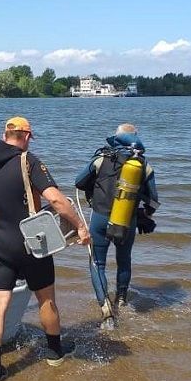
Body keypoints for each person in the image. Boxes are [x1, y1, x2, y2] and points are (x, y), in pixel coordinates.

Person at [0, 116, 91, 381]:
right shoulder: (28, 161)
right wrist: (80, 226)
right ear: (25, 136)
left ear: (5, 135)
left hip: (1, 244)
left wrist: (3, 232)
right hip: (31, 243)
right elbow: (54, 199)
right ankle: (54, 353)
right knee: (45, 298)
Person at [75, 123, 159, 330]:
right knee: (124, 260)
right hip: (126, 220)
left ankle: (105, 308)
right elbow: (153, 201)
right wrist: (144, 215)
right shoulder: (143, 165)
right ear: (135, 139)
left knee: (97, 263)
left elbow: (79, 182)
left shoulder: (102, 159)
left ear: (117, 137)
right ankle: (122, 300)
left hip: (100, 218)